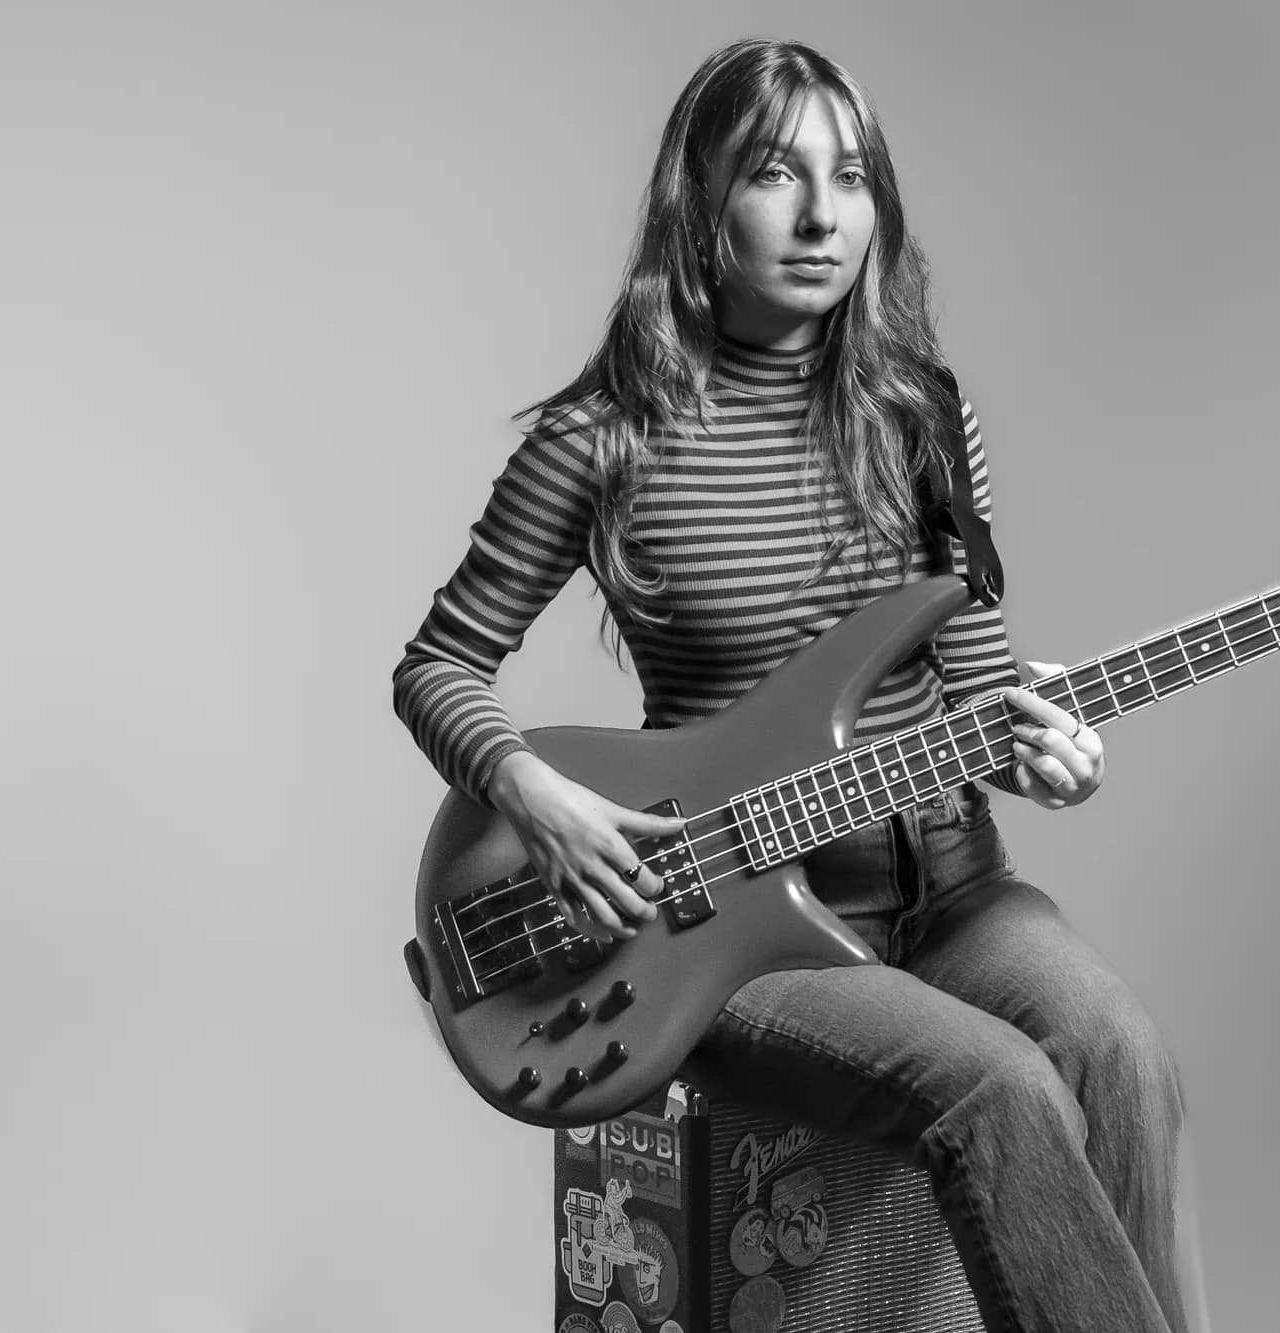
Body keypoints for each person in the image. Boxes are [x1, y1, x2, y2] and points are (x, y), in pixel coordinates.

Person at [393, 37, 1201, 1333]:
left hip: (954, 896)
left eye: (853, 176)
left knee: (1121, 1052)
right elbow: (440, 662)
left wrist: (1050, 749)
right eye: (777, 173)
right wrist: (536, 797)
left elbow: (981, 689)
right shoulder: (600, 442)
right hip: (726, 936)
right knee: (997, 1087)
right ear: (698, 204)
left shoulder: (923, 416)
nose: (826, 215)